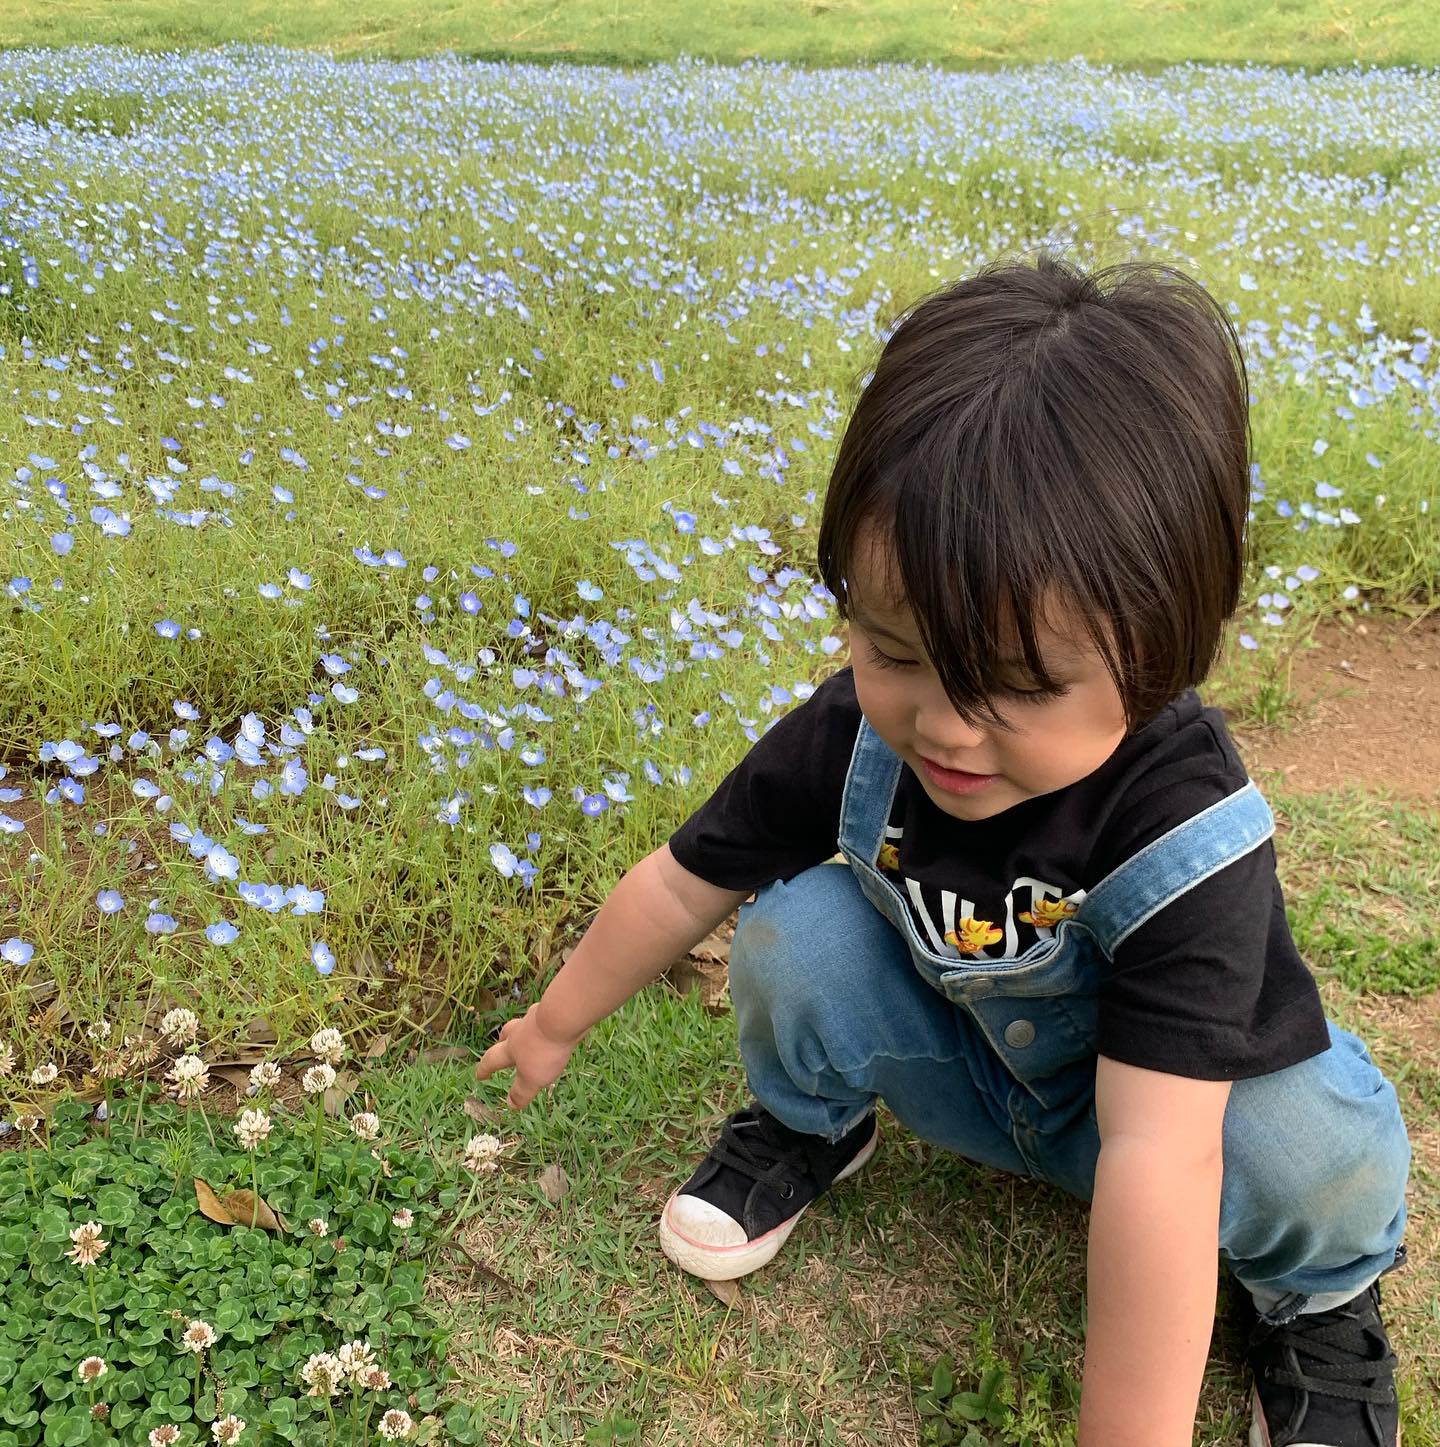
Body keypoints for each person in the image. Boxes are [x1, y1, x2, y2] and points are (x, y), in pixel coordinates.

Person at [476, 249, 1411, 1447]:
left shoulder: (1189, 832)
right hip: (969, 1079)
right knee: (791, 937)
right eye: (896, 649)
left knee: (1311, 1148)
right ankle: (816, 1123)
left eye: (1018, 683)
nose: (946, 724)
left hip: (1171, 1122)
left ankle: (1316, 1302)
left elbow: (1162, 1158)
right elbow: (683, 877)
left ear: (1169, 641)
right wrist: (556, 1020)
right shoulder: (855, 734)